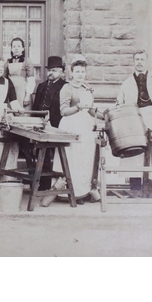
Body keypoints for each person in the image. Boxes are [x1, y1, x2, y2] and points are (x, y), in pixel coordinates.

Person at [50, 59, 103, 202]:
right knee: (72, 160)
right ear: (71, 73)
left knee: (85, 160)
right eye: (77, 71)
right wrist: (78, 107)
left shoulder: (87, 88)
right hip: (71, 126)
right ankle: (69, 193)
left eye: (83, 72)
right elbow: (63, 111)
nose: (80, 74)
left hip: (86, 127)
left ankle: (82, 192)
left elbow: (91, 110)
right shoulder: (67, 88)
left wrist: (104, 116)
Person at [115, 49, 152, 190]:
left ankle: (151, 186)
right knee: (133, 148)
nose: (139, 62)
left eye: (142, 59)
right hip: (133, 119)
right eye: (137, 59)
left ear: (146, 61)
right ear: (133, 62)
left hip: (151, 116)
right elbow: (119, 103)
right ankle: (135, 187)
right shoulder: (126, 83)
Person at [32, 56, 67, 189]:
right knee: (42, 154)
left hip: (57, 125)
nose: (51, 73)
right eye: (49, 70)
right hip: (40, 126)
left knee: (57, 156)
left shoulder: (65, 86)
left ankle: (57, 185)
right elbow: (36, 107)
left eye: (54, 70)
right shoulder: (41, 86)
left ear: (61, 72)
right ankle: (43, 184)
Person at [4, 37, 36, 110]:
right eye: (14, 46)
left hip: (22, 90)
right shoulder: (8, 61)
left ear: (23, 48)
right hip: (10, 89)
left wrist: (27, 95)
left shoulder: (27, 61)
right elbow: (4, 78)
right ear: (11, 49)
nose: (16, 48)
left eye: (18, 46)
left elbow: (31, 79)